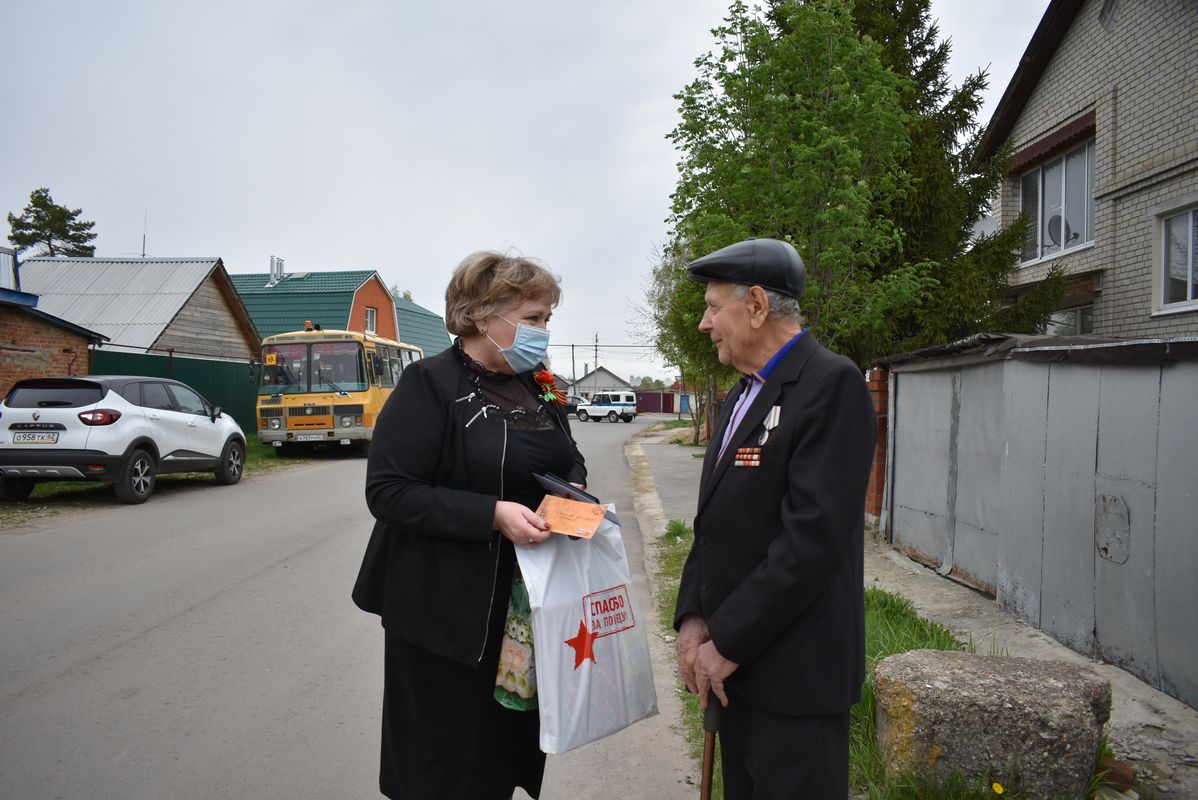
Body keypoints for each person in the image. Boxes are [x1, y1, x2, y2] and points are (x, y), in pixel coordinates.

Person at [352, 250, 586, 799]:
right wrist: (493, 515)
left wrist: (570, 500)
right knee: (443, 762)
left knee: (500, 752)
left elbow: (569, 457)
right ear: (485, 316)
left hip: (520, 606)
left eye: (548, 318)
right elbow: (389, 493)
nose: (544, 331)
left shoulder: (543, 384)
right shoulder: (428, 383)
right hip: (441, 611)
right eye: (533, 319)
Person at [672, 237, 876, 799]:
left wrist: (727, 640)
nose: (704, 323)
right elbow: (712, 525)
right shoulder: (741, 395)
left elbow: (811, 542)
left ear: (757, 305)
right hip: (734, 676)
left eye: (714, 308)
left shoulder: (830, 386)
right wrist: (693, 618)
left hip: (794, 682)